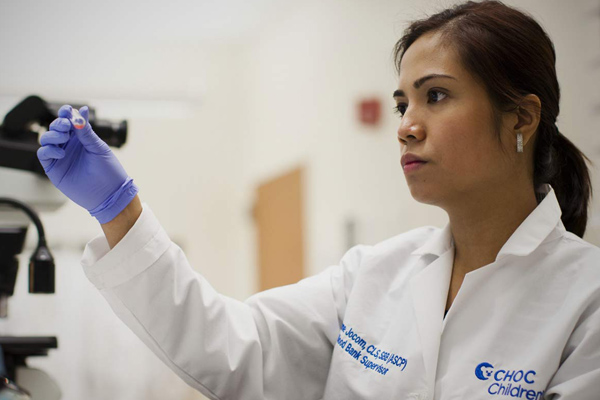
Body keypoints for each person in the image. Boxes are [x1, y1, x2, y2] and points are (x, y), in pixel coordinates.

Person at [37, 0, 600, 399]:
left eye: (436, 96)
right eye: (402, 103)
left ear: (522, 116)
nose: (406, 126)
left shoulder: (586, 302)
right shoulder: (373, 276)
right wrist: (118, 209)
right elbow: (231, 348)